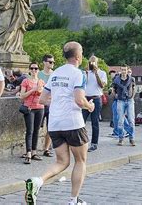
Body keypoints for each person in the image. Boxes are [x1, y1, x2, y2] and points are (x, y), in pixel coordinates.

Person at [25, 41, 94, 205]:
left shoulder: (55, 74)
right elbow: (79, 100)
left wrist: (57, 105)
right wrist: (89, 105)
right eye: (82, 52)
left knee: (62, 161)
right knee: (80, 161)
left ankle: (38, 181)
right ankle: (73, 200)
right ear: (78, 56)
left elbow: (43, 99)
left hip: (55, 123)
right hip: (73, 122)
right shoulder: (78, 74)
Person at [19, 62, 45, 164]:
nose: (34, 70)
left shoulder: (41, 81)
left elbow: (43, 94)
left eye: (36, 68)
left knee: (36, 130)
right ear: (29, 70)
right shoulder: (26, 81)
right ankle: (28, 153)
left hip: (40, 107)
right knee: (30, 130)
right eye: (32, 68)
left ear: (38, 70)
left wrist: (40, 90)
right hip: (29, 108)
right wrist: (33, 89)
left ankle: (34, 152)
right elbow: (22, 95)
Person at [82, 55, 107, 152]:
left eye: (93, 62)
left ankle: (94, 143)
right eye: (90, 62)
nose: (92, 64)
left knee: (95, 122)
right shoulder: (85, 72)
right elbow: (83, 84)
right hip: (86, 98)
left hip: (96, 98)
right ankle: (82, 141)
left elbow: (102, 86)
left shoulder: (102, 73)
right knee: (81, 121)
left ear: (97, 63)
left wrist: (96, 73)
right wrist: (87, 73)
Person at [112, 64, 136, 146]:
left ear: (127, 70)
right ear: (120, 70)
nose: (123, 71)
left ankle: (131, 138)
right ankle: (121, 138)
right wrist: (115, 95)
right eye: (122, 70)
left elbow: (134, 88)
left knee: (131, 120)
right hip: (120, 100)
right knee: (120, 121)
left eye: (125, 70)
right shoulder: (116, 80)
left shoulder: (131, 79)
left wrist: (132, 97)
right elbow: (113, 89)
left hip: (129, 100)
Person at [38, 54, 55, 157]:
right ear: (44, 62)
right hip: (39, 103)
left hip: (52, 103)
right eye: (50, 62)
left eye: (53, 62)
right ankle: (33, 149)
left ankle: (46, 148)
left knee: (50, 127)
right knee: (37, 127)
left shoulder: (55, 74)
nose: (52, 64)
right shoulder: (39, 74)